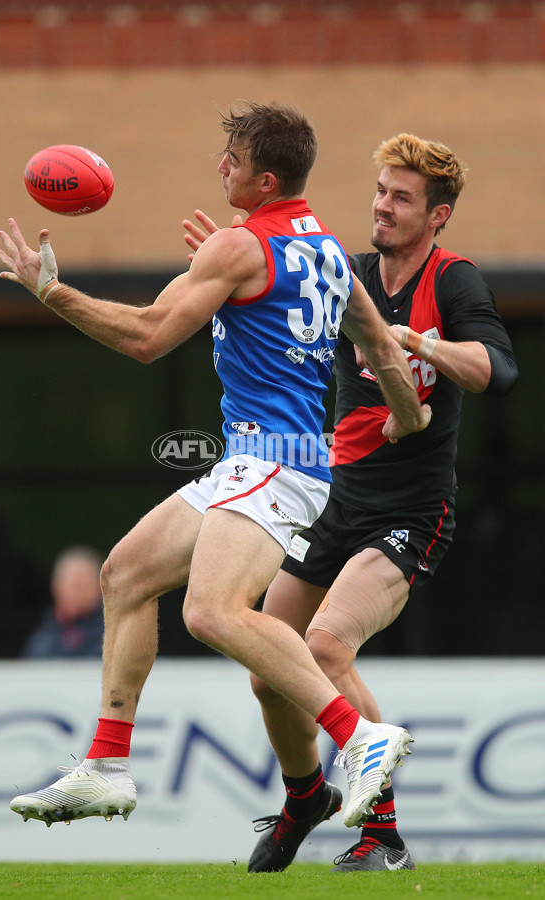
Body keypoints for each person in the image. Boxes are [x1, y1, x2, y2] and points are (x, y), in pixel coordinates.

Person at [0, 102, 431, 832]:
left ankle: (360, 736)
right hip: (259, 461)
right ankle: (104, 765)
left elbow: (146, 337)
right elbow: (384, 352)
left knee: (209, 611)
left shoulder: (240, 247)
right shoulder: (325, 248)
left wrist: (50, 290)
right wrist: (408, 417)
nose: (219, 166)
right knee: (124, 575)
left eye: (231, 158)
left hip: (274, 461)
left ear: (263, 178)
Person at [183, 132, 518, 873]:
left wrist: (419, 346)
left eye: (402, 198)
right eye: (379, 192)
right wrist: (230, 272)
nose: (382, 207)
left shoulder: (454, 280)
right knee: (268, 668)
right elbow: (277, 317)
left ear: (439, 216)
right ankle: (307, 798)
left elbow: (497, 371)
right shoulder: (346, 270)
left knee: (326, 646)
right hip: (332, 498)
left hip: (411, 511)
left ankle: (384, 838)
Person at [22, 546, 105, 659]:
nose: (81, 592)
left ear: (100, 588)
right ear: (55, 586)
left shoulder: (111, 637)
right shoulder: (41, 640)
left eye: (87, 584)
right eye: (75, 584)